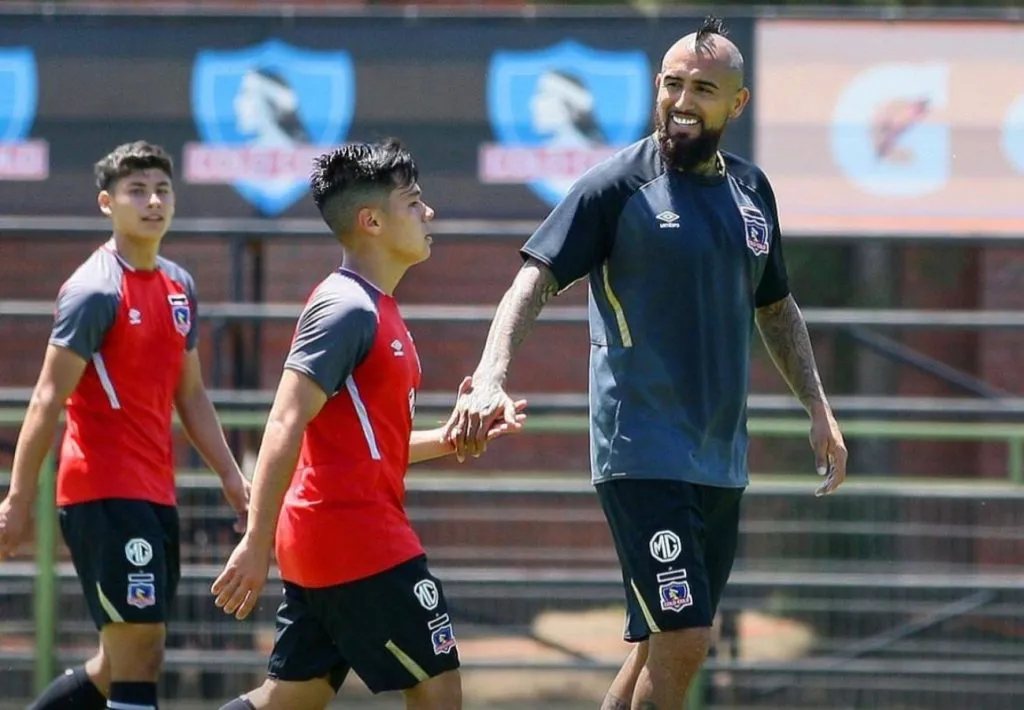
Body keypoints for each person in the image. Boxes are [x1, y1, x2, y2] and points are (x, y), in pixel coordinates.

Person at [443, 16, 849, 710]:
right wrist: (489, 377)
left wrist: (819, 408)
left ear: (737, 103)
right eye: (672, 84)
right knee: (686, 634)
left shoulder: (752, 192)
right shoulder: (615, 187)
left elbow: (777, 307)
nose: (682, 100)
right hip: (642, 451)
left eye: (703, 89)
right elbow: (530, 284)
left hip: (720, 459)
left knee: (656, 646)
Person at [209, 138, 526, 710]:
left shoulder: (376, 307)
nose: (428, 213)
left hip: (333, 535)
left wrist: (452, 438)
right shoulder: (345, 308)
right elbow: (284, 420)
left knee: (291, 698)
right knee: (438, 689)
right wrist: (255, 542)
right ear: (372, 221)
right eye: (414, 202)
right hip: (356, 536)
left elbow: (374, 447)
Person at [0, 140, 250, 710]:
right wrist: (17, 499)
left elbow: (191, 394)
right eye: (137, 191)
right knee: (142, 652)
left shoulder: (179, 286)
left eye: (162, 190)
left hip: (156, 494)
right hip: (105, 492)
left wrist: (232, 479)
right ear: (106, 203)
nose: (153, 201)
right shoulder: (94, 290)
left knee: (115, 664)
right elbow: (46, 399)